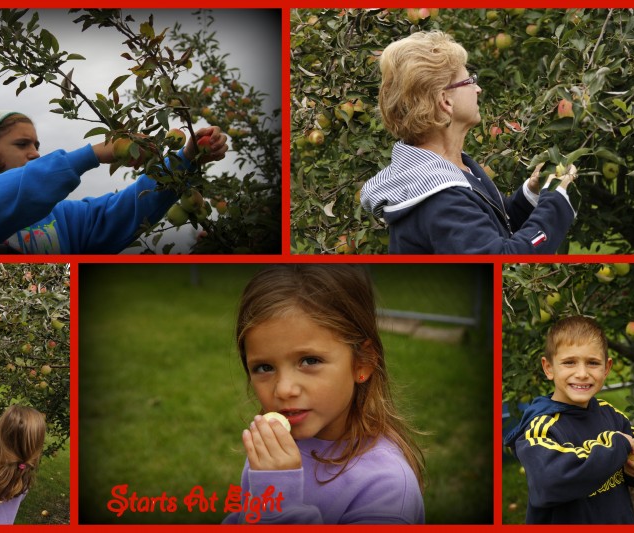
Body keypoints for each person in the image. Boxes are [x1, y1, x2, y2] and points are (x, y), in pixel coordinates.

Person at [223, 265, 425, 524]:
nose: (284, 389)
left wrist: (277, 500)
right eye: (264, 367)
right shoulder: (273, 451)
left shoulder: (386, 486)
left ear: (362, 362)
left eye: (309, 361)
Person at [360, 31, 578, 254]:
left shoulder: (450, 170)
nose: (478, 88)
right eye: (469, 81)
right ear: (445, 101)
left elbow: (489, 229)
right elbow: (503, 261)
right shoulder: (441, 197)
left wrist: (530, 196)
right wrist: (554, 203)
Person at [0, 110, 228, 253]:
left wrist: (186, 156)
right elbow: (1, 199)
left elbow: (127, 208)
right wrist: (91, 154)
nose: (36, 153)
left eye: (37, 144)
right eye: (22, 144)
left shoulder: (63, 217)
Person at [503, 316, 634, 524]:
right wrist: (618, 447)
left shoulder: (610, 414)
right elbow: (550, 481)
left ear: (606, 368)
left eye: (593, 363)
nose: (582, 373)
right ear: (548, 368)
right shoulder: (540, 428)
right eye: (569, 362)